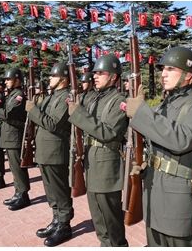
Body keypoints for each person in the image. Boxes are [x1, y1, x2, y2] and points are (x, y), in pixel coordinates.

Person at [122, 47, 192, 246]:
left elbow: (181, 139)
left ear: (189, 74)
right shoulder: (164, 104)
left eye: (171, 69)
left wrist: (142, 113)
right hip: (154, 188)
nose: (163, 73)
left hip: (179, 195)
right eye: (163, 69)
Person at [68, 55, 128, 246]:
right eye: (95, 73)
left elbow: (108, 132)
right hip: (91, 163)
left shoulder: (119, 101)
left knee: (111, 220)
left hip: (107, 166)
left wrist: (77, 112)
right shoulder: (93, 97)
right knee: (98, 219)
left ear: (113, 77)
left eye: (101, 73)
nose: (95, 76)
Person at [28, 62, 73, 243]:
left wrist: (33, 110)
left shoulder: (66, 97)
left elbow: (53, 124)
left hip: (55, 151)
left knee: (60, 189)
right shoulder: (51, 96)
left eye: (53, 76)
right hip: (44, 151)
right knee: (50, 189)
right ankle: (56, 219)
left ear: (63, 79)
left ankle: (64, 225)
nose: (50, 79)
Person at [0, 67, 27, 210]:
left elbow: (8, 115)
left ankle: (23, 195)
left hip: (15, 136)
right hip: (9, 136)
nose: (7, 81)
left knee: (18, 168)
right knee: (14, 169)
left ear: (17, 80)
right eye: (6, 79)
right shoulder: (11, 95)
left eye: (9, 79)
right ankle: (18, 192)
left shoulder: (18, 95)